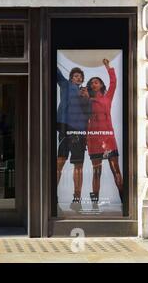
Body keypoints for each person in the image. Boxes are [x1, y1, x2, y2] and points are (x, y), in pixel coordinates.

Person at [86, 58, 123, 204]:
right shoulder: (86, 99)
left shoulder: (108, 97)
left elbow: (113, 83)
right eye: (91, 82)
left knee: (116, 170)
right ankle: (94, 205)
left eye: (96, 81)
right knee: (96, 173)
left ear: (101, 85)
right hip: (93, 139)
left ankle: (123, 199)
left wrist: (109, 68)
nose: (93, 83)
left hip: (108, 138)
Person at [56, 65, 90, 203]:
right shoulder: (65, 85)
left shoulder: (85, 93)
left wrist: (87, 97)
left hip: (80, 131)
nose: (79, 78)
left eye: (81, 76)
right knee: (59, 162)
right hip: (65, 128)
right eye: (76, 76)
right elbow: (57, 73)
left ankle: (77, 198)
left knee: (78, 165)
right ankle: (53, 194)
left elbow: (90, 114)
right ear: (71, 78)